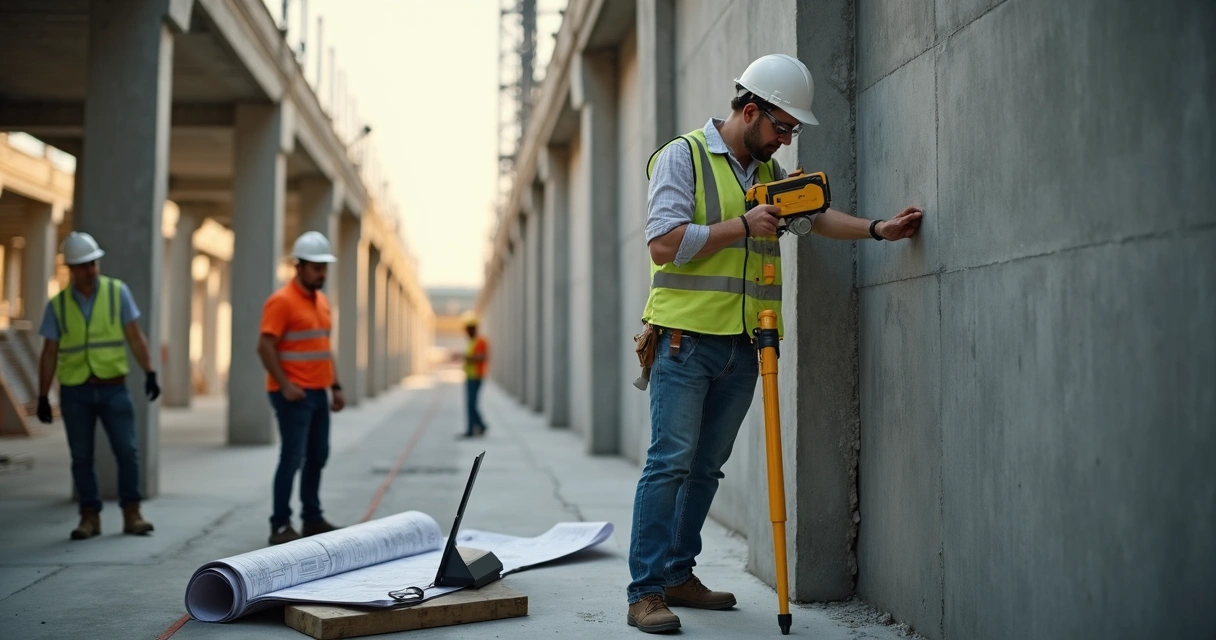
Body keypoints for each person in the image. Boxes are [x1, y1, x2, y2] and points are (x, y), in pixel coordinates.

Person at [626, 53, 923, 633]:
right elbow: (663, 242)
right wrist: (743, 225)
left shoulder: (766, 177)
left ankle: (678, 574)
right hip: (685, 341)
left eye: (792, 132)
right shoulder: (681, 157)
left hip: (746, 344)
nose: (786, 141)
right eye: (782, 128)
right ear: (750, 110)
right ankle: (645, 592)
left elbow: (818, 216)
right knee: (669, 464)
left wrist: (879, 229)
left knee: (707, 468)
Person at [35, 231, 161, 540]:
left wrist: (150, 372)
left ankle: (132, 512)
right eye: (83, 265)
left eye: (94, 263)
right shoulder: (59, 305)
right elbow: (49, 352)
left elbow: (134, 335)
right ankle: (89, 517)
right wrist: (42, 395)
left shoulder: (117, 293)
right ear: (71, 269)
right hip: (75, 391)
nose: (90, 270)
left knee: (127, 451)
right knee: (81, 457)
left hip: (113, 387)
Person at [258, 231, 346, 545]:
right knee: (292, 458)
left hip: (319, 392)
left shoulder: (322, 302)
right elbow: (265, 347)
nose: (322, 273)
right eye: (316, 267)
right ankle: (280, 524)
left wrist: (335, 385)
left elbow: (324, 347)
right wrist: (285, 385)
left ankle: (312, 519)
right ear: (299, 267)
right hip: (293, 394)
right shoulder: (281, 301)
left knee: (318, 455)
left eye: (324, 267)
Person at [460, 312, 489, 438]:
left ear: (473, 329)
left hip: (476, 376)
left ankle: (472, 429)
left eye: (468, 329)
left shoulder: (480, 342)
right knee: (471, 403)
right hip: (470, 376)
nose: (466, 331)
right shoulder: (471, 342)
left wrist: (468, 358)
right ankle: (480, 425)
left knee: (471, 403)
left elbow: (481, 357)